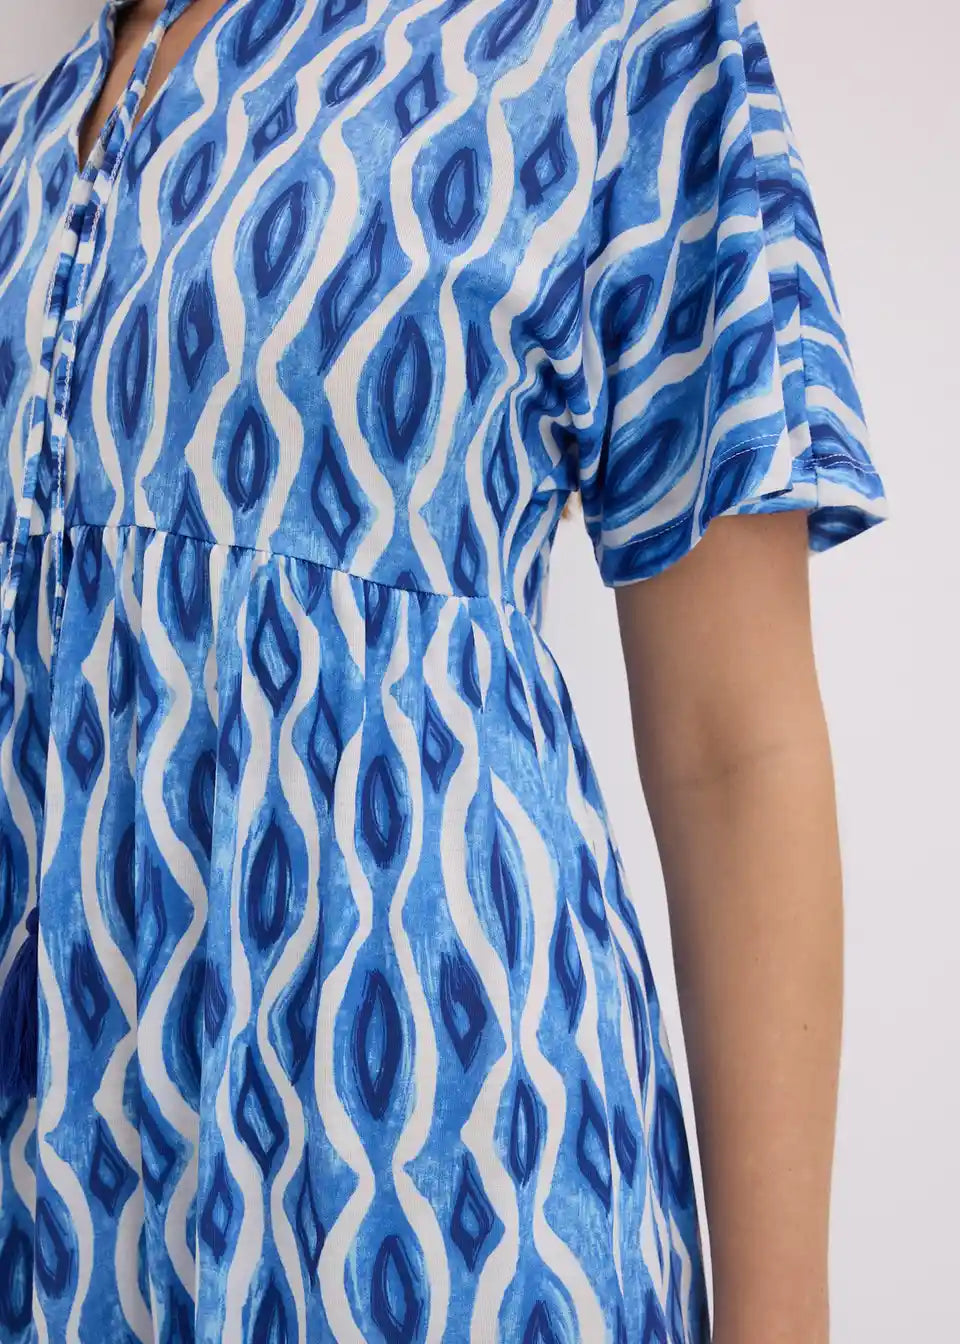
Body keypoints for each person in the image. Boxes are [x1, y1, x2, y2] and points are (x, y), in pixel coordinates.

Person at [0, 0, 888, 1339]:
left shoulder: (604, 49)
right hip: (65, 1198)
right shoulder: (27, 137)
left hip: (441, 1185)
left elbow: (735, 749)